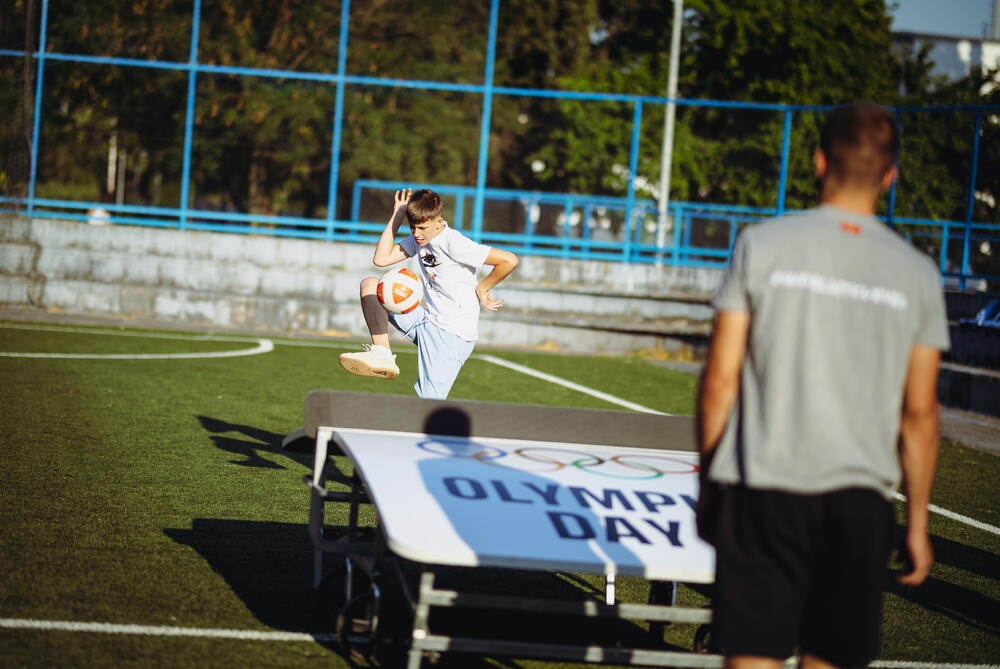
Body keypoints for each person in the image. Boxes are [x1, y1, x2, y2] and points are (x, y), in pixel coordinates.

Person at [696, 102, 949, 669]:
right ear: (891, 175)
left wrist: (711, 483)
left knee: (752, 657)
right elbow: (920, 413)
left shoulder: (761, 243)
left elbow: (720, 381)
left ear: (818, 161)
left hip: (762, 490)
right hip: (858, 502)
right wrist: (918, 523)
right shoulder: (918, 273)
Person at [339, 188, 518, 399]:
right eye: (412, 227)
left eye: (422, 228)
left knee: (428, 405)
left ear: (438, 221)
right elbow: (381, 259)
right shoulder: (420, 238)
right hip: (426, 320)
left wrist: (483, 288)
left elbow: (509, 260)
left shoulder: (454, 243)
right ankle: (382, 353)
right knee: (370, 286)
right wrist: (398, 214)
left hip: (451, 336)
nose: (416, 234)